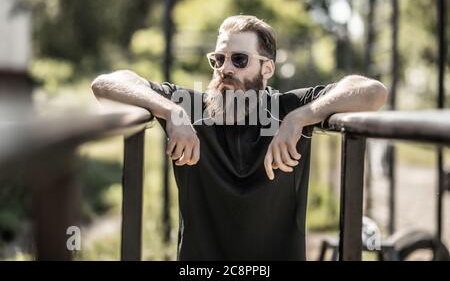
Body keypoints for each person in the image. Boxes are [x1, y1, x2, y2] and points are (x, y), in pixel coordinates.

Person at [91, 15, 388, 260]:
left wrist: (300, 118)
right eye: (218, 59)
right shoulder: (189, 108)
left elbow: (372, 91)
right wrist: (171, 112)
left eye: (239, 60)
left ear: (267, 68)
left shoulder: (289, 109)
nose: (225, 69)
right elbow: (106, 84)